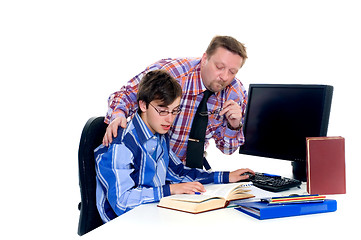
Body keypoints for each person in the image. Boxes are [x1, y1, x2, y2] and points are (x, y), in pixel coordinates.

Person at [95, 70, 254, 223]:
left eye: (175, 111)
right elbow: (122, 202)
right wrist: (170, 190)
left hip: (151, 213)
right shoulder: (121, 144)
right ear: (143, 105)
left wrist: (226, 177)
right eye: (163, 111)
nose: (169, 120)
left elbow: (177, 171)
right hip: (122, 224)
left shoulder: (159, 135)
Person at [103, 35, 248, 166]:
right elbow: (126, 94)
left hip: (187, 173)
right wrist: (118, 114)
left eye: (232, 72)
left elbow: (227, 149)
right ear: (205, 59)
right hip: (150, 166)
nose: (224, 76)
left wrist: (234, 125)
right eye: (219, 67)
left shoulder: (235, 93)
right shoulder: (171, 73)